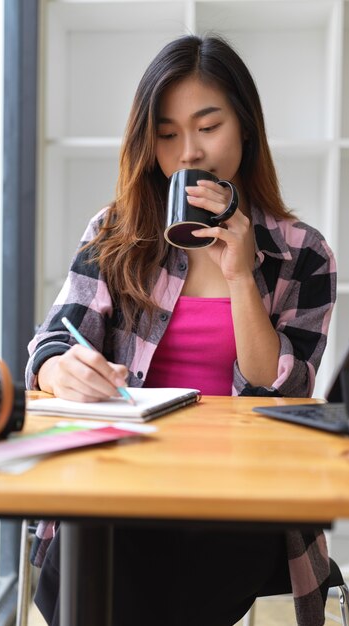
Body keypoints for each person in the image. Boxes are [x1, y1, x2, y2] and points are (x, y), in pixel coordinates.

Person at [26, 34, 336, 626]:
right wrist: (59, 368)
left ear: (245, 128)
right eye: (167, 135)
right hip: (122, 478)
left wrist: (242, 276)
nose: (188, 152)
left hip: (238, 491)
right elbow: (53, 341)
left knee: (155, 561)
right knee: (97, 536)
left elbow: (284, 394)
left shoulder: (303, 253)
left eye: (208, 126)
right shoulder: (118, 231)